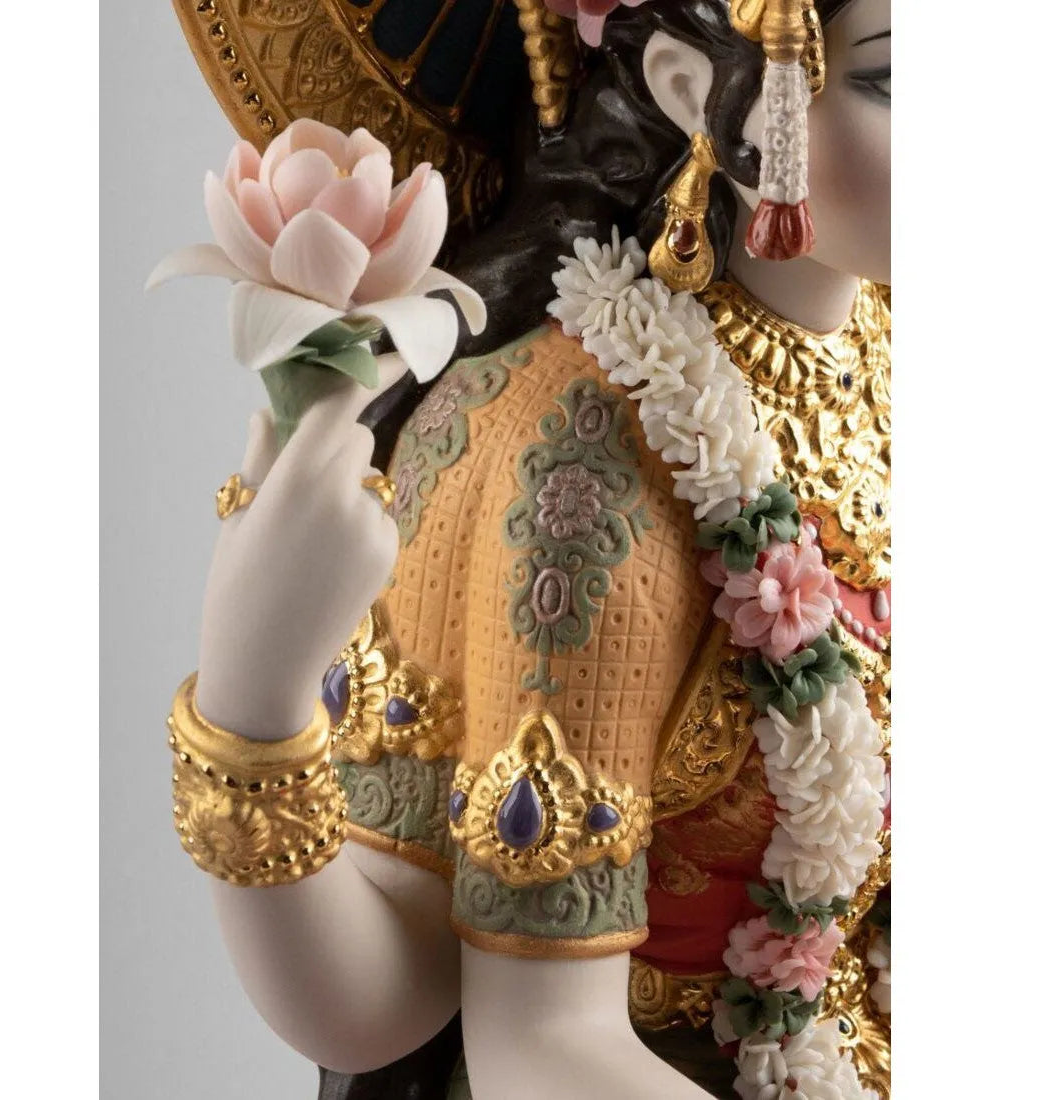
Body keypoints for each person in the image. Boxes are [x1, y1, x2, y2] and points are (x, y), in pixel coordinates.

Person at [167, 2, 890, 1097]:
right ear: (694, 92)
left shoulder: (884, 339)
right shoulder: (582, 459)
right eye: (894, 84)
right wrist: (250, 704)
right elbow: (531, 1042)